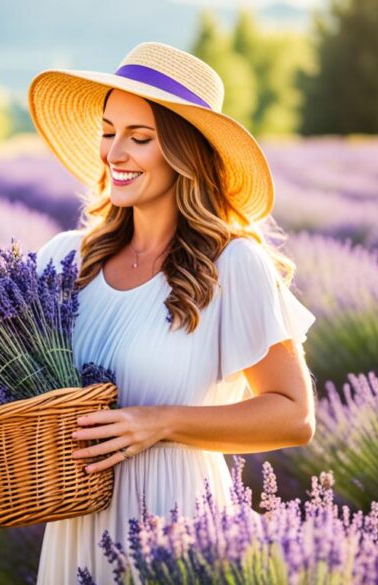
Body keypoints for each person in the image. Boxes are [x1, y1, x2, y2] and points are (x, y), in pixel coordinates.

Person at [27, 41, 319, 583]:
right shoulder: (65, 259)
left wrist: (159, 423)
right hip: (75, 529)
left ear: (187, 155)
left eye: (139, 138)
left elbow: (294, 415)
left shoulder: (232, 266)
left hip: (180, 525)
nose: (115, 153)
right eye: (108, 131)